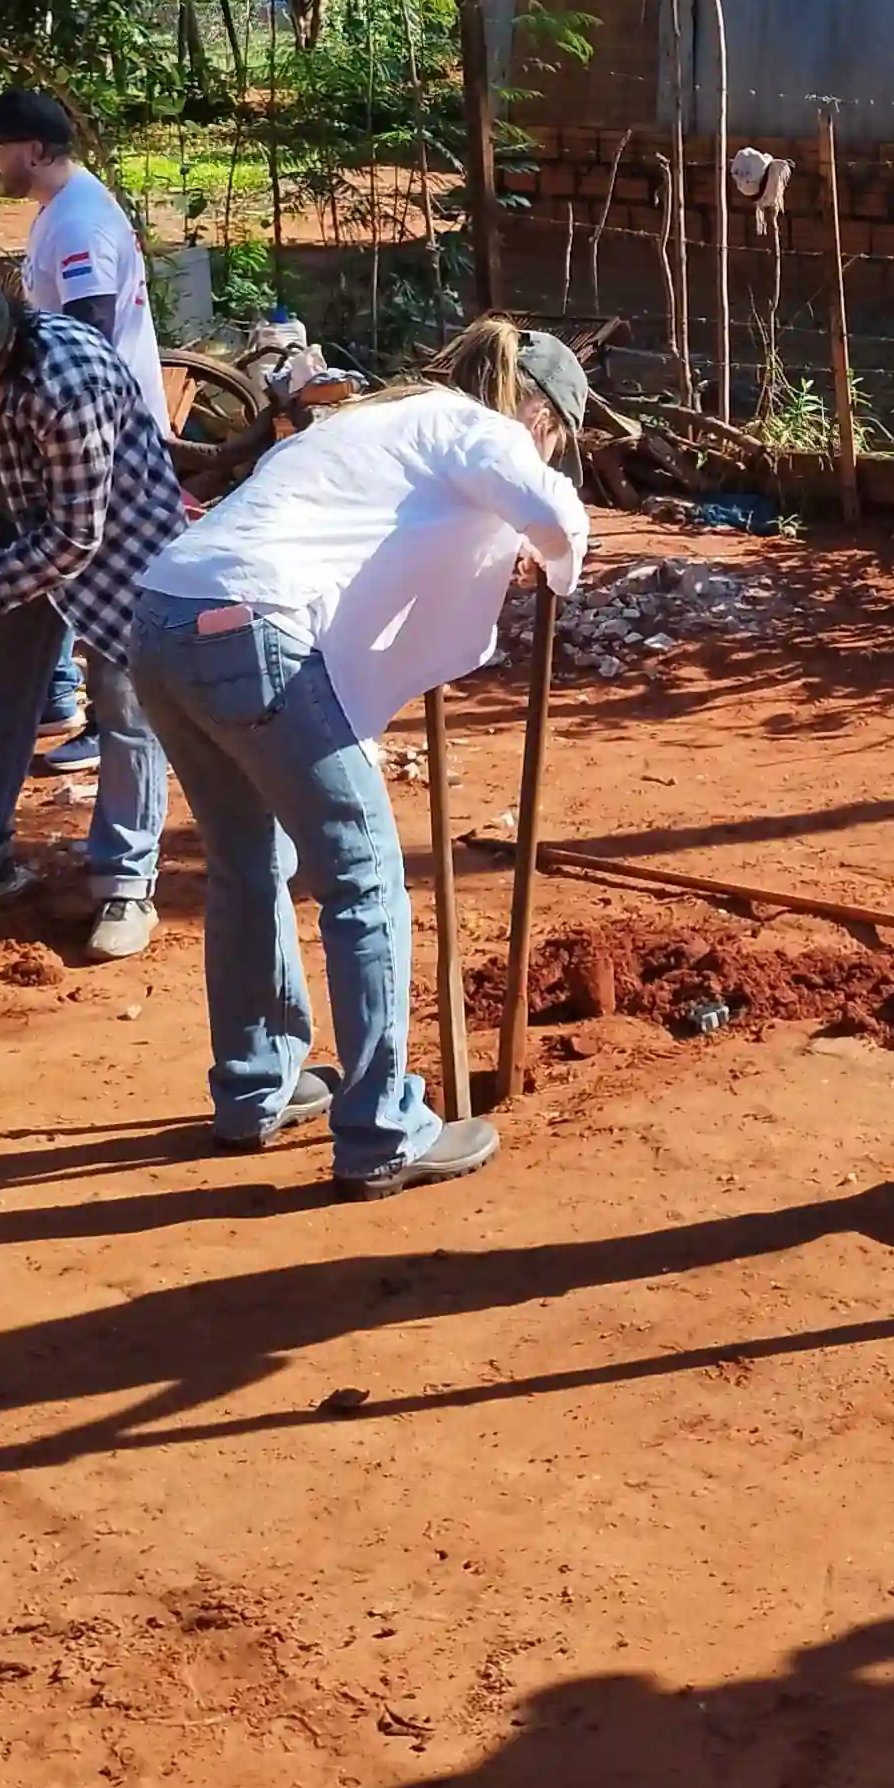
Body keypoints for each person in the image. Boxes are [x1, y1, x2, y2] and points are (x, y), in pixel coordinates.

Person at [116, 318, 594, 1200]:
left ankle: (255, 1086)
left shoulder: (374, 422)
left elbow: (367, 559)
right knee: (364, 877)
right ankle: (382, 1129)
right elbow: (549, 507)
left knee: (248, 861)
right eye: (558, 439)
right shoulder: (475, 428)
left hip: (164, 621)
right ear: (538, 418)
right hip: (250, 631)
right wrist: (556, 557)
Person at [0, 270, 185, 944]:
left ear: (4, 357)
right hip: (13, 537)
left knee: (126, 711)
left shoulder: (70, 383)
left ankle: (125, 885)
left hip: (120, 549)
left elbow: (76, 536)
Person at [0, 86, 176, 960]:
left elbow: (84, 347)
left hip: (108, 471)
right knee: (3, 687)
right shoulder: (61, 213)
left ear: (30, 147)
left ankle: (125, 881)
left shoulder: (80, 222)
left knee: (126, 695)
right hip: (40, 469)